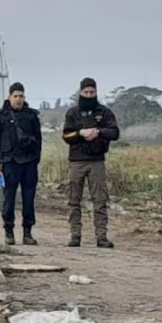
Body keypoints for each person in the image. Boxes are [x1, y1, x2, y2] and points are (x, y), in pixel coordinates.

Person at [62, 78, 120, 248]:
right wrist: (81, 133)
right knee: (73, 200)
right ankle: (75, 235)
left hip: (97, 162)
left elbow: (115, 133)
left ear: (96, 92)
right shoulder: (72, 113)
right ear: (80, 93)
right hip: (76, 162)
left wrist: (98, 132)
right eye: (85, 92)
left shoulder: (105, 112)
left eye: (91, 92)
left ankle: (101, 236)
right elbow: (66, 136)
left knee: (100, 200)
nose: (88, 95)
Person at [0, 83, 42, 246]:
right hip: (10, 162)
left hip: (28, 163)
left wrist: (35, 159)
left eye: (21, 96)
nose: (18, 99)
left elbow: (38, 139)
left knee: (29, 199)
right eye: (16, 96)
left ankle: (27, 232)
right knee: (9, 199)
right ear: (9, 97)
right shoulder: (1, 116)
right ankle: (9, 231)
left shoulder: (31, 116)